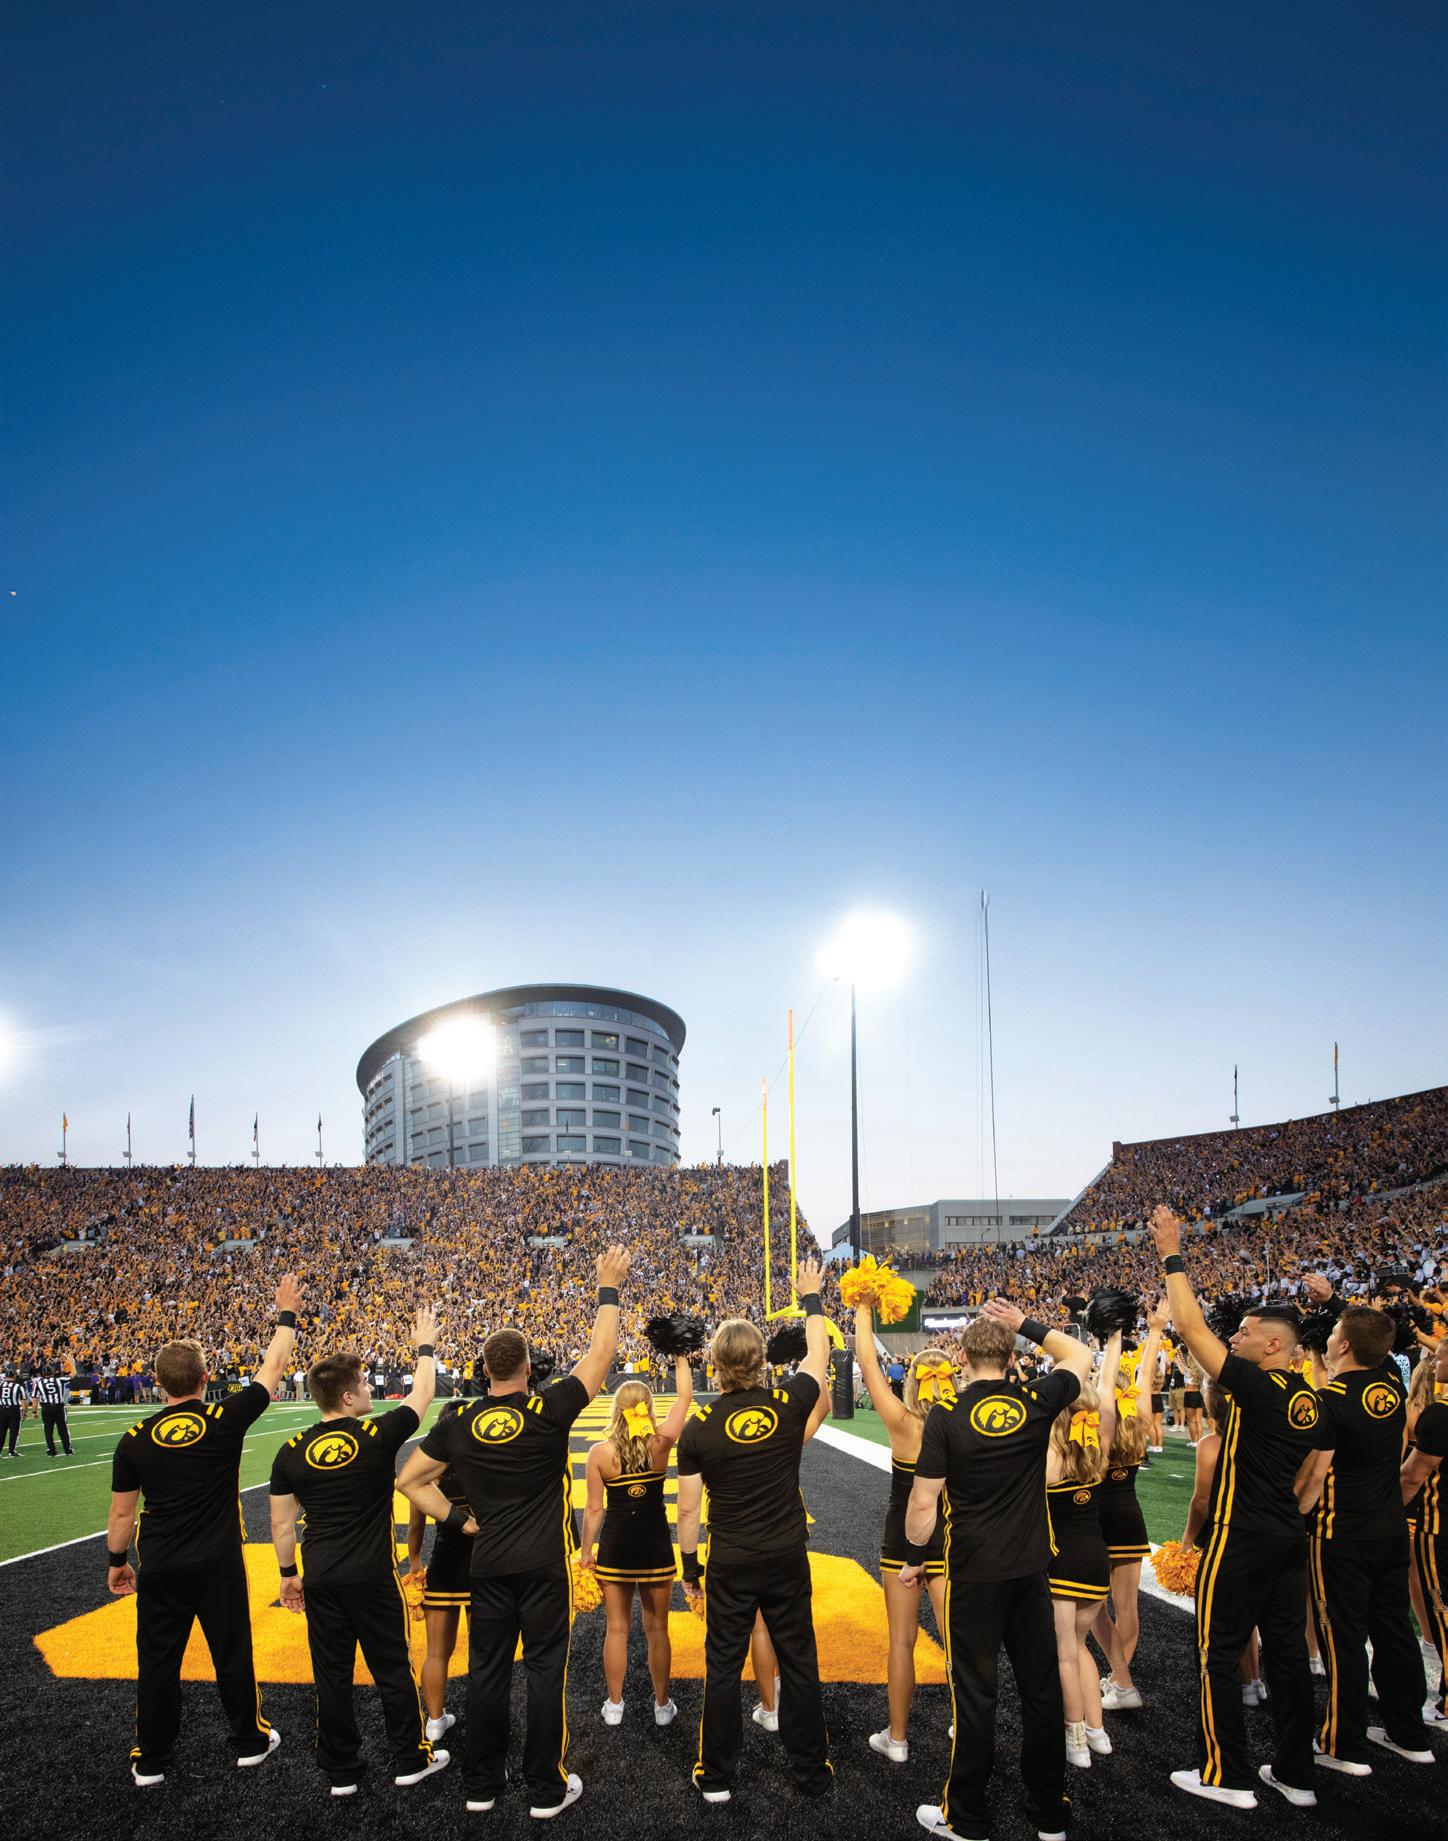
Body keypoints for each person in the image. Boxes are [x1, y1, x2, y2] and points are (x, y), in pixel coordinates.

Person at [397, 1245, 632, 1819]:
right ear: (528, 1369)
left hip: (488, 1563)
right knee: (545, 1673)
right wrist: (607, 1286)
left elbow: (409, 1481)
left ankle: (481, 1784)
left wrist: (458, 1520)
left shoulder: (459, 1421)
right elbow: (601, 1355)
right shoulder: (548, 1410)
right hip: (544, 1564)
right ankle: (545, 1790)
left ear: (485, 1372)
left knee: (487, 1673)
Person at [1150, 1203, 1318, 1812]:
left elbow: (1192, 1329)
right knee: (1287, 1656)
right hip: (1287, 1536)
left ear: (1274, 1346)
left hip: (1240, 1533)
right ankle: (1296, 1774)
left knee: (1218, 1652)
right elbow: (1313, 1474)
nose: (1236, 1339)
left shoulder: (1260, 1386)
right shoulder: (1308, 1397)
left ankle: (1226, 1775)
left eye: (1245, 1333)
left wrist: (1172, 1253)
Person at [903, 1297, 1091, 1841]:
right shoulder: (1034, 1399)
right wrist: (1024, 1323)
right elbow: (1079, 1355)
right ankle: (1048, 1814)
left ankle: (967, 1817)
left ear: (961, 1357)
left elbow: (923, 1503)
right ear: (1011, 1359)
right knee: (1040, 1692)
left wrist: (915, 1558)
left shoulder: (946, 1415)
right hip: (1031, 1570)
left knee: (975, 1695)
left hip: (973, 1572)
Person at [107, 1273, 302, 1787]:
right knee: (231, 1652)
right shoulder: (222, 1418)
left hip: (161, 1562)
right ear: (204, 1376)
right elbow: (273, 1368)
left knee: (157, 1660)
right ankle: (249, 1741)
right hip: (218, 1558)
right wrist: (286, 1312)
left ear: (158, 1383)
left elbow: (123, 1514)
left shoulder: (134, 1438)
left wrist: (117, 1562)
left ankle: (151, 1758)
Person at [676, 1257, 834, 1804]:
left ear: (714, 1366)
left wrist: (690, 1569)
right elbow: (818, 1359)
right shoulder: (787, 1404)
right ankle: (810, 1772)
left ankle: (717, 1776)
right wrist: (811, 1298)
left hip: (732, 1558)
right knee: (799, 1661)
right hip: (786, 1552)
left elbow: (689, 1513)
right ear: (762, 1362)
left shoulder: (699, 1427)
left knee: (723, 1665)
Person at [268, 1304, 442, 1796]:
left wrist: (288, 1573)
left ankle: (341, 1771)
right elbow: (424, 1393)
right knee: (392, 1668)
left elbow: (281, 1523)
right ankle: (409, 1759)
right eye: (364, 1384)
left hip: (322, 1576)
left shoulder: (290, 1450)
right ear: (347, 1396)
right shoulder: (376, 1434)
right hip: (372, 1574)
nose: (369, 1391)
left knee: (331, 1676)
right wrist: (424, 1345)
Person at [1294, 1302, 1431, 1771]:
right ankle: (1408, 1733)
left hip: (1340, 1533)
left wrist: (1292, 1517)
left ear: (1345, 1345)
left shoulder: (1329, 1399)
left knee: (1342, 1636)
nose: (1330, 1338)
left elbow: (1314, 1476)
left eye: (1334, 1332)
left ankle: (1342, 1743)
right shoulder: (1391, 1386)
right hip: (1389, 1527)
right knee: (1394, 1630)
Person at [853, 1300, 950, 1763]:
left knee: (901, 1641)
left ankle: (897, 1739)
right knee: (958, 1643)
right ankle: (964, 1723)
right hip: (950, 1539)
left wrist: (863, 1308)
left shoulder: (901, 1422)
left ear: (911, 1381)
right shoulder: (963, 1425)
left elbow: (868, 1362)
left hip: (902, 1540)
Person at [578, 1352, 694, 1725]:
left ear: (616, 1410)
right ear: (647, 1408)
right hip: (655, 1545)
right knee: (657, 1629)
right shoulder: (661, 1443)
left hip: (616, 1547)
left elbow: (593, 1510)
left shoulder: (599, 1453)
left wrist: (585, 1552)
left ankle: (615, 1705)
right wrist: (680, 1358)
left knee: (616, 1628)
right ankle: (662, 1705)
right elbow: (684, 1397)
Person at [1045, 1329, 1120, 1767]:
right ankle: (1097, 1730)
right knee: (1081, 1646)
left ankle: (1074, 1737)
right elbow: (1106, 1395)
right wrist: (1113, 1345)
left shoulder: (1052, 1458)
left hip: (1062, 1561)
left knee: (1064, 1654)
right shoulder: (1098, 1450)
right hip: (1096, 1560)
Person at [1096, 1303, 1166, 1710]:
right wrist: (1154, 1333)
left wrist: (1113, 1338)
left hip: (1094, 1520)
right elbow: (1146, 1376)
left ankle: (1119, 1677)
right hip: (1129, 1517)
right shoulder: (1137, 1422)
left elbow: (1111, 1384)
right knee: (1127, 1608)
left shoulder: (1099, 1422)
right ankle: (1120, 1680)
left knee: (1091, 1607)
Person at [1185, 1384, 1264, 1704]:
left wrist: (1188, 1539)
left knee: (1224, 1616)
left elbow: (1202, 1500)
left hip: (1225, 1535)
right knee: (1252, 1614)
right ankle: (1254, 1680)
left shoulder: (1211, 1444)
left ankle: (1238, 1684)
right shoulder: (1260, 1438)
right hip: (1263, 1531)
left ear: (1212, 1404)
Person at [404, 1397, 473, 1744]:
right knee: (485, 1652)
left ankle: (433, 1721)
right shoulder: (482, 1463)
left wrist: (415, 1561)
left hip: (444, 1562)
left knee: (435, 1652)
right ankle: (483, 1715)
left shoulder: (429, 1472)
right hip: (483, 1565)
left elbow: (415, 1527)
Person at [1399, 1329, 1448, 1729]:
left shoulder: (1439, 1414)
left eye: (1441, 1354)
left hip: (1439, 1524)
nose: (1435, 1359)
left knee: (1442, 1609)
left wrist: (1379, 1511)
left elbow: (1412, 1477)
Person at [32, 1367, 73, 1455]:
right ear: (53, 1372)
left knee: (48, 1431)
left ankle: (51, 1450)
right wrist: (72, 1363)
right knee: (62, 1429)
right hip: (58, 1407)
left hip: (46, 1408)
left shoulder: (39, 1383)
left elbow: (35, 1398)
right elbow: (73, 1375)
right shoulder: (59, 1380)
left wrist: (34, 1412)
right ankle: (67, 1450)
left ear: (43, 1374)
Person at [0, 1369, 24, 1455]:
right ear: (14, 1376)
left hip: (2, 1410)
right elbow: (23, 1400)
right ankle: (12, 1451)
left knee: (1, 1432)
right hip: (14, 1410)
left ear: (5, 1377)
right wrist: (25, 1412)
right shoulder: (18, 1386)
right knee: (14, 1431)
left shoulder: (1, 1385)